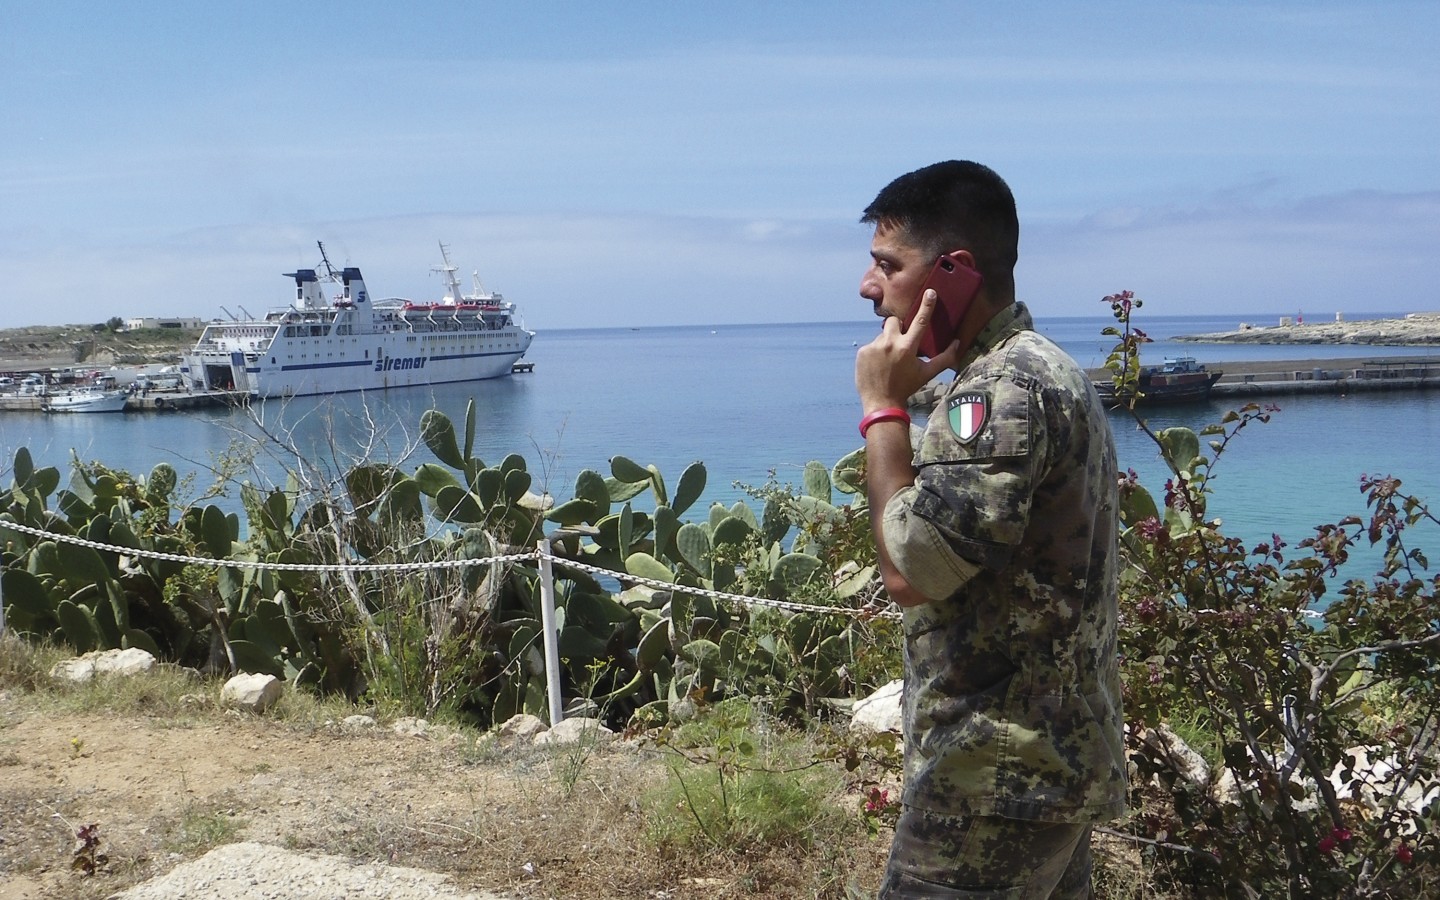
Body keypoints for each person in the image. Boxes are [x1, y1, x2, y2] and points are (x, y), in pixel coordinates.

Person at [853, 160, 1126, 897]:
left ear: (956, 270)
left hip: (994, 778)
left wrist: (882, 410)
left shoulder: (1000, 389)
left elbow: (913, 572)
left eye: (887, 264)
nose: (867, 285)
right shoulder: (1042, 369)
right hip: (1038, 766)